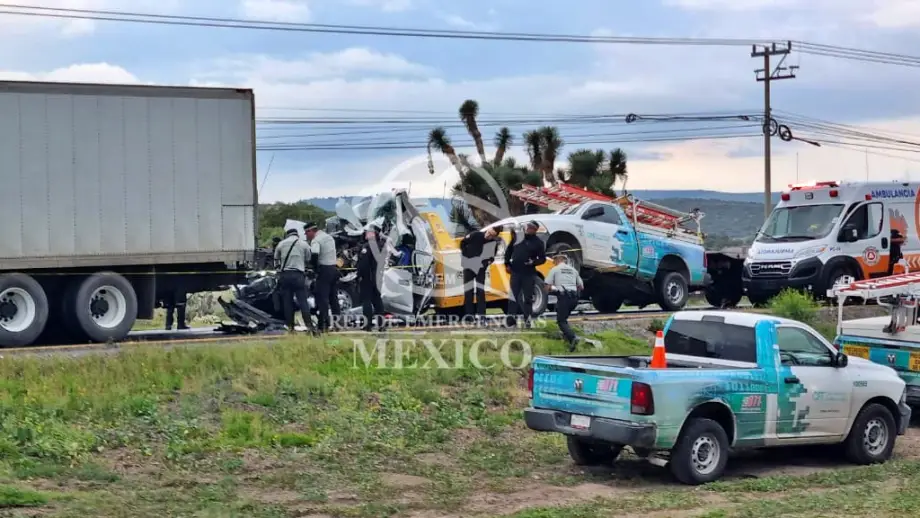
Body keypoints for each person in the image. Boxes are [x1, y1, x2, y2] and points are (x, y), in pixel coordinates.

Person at [504, 221, 546, 327]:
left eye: (531, 228)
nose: (528, 229)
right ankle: (510, 321)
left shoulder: (538, 243)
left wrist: (534, 262)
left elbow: (543, 259)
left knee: (528, 298)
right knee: (513, 296)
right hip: (516, 271)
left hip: (529, 273)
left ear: (535, 230)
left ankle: (528, 320)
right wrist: (507, 264)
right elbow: (508, 251)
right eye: (528, 227)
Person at [274, 227, 315, 334]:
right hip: (298, 275)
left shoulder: (281, 244)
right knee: (303, 301)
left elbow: (276, 258)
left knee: (287, 302)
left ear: (287, 235)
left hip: (285, 275)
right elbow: (308, 259)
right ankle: (309, 327)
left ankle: (291, 328)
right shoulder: (304, 244)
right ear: (297, 235)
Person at [305, 222, 341, 332]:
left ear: (311, 231)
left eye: (306, 233)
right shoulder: (329, 237)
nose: (306, 236)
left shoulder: (316, 240)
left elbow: (315, 255)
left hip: (324, 270)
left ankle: (323, 325)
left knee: (322, 299)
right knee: (333, 298)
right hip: (334, 269)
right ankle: (337, 324)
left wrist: (313, 268)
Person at [460, 226, 500, 321]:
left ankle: (482, 315)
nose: (489, 235)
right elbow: (462, 243)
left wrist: (485, 264)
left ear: (494, 236)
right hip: (468, 266)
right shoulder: (476, 234)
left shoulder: (493, 243)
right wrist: (466, 256)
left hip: (480, 269)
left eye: (492, 235)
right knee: (468, 291)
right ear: (488, 230)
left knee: (480, 292)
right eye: (489, 232)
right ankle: (469, 316)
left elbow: (491, 258)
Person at [545, 253, 584, 350]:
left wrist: (551, 291)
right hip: (574, 298)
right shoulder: (574, 270)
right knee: (564, 318)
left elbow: (547, 286)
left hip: (564, 297)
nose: (553, 262)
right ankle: (569, 340)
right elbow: (581, 286)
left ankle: (573, 338)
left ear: (558, 260)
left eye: (554, 260)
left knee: (561, 321)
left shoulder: (555, 269)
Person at [357, 224, 386, 332]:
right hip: (378, 277)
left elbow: (363, 264)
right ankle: (381, 325)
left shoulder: (367, 247)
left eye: (368, 232)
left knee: (366, 301)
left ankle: (367, 324)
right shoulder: (382, 245)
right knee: (378, 301)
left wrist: (359, 275)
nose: (366, 233)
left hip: (367, 277)